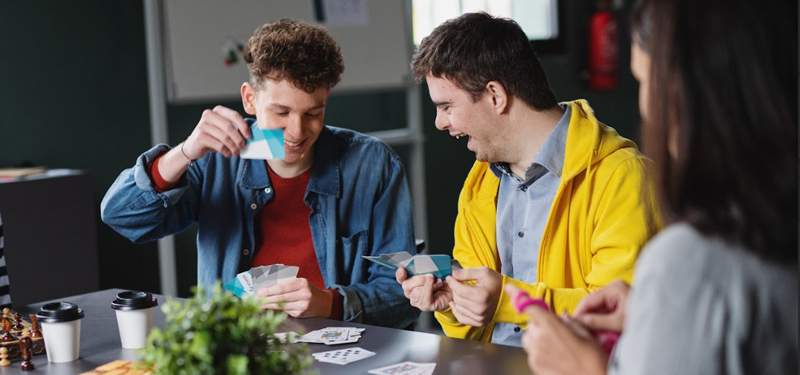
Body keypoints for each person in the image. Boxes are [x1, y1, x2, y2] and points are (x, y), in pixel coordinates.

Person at [518, 0, 798, 373]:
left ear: (683, 93)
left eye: (644, 80)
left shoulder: (687, 260)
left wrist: (585, 368)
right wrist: (658, 312)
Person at [101, 19, 419, 329]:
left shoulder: (374, 165)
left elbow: (404, 295)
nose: (296, 132)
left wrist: (332, 304)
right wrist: (184, 153)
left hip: (340, 351)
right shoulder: (216, 161)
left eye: (313, 113)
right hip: (236, 348)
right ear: (250, 99)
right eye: (281, 112)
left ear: (326, 100)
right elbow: (121, 216)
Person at [397, 12, 660, 346]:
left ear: (495, 95)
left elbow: (616, 320)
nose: (439, 122)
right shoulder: (480, 185)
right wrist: (452, 302)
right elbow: (471, 332)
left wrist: (507, 300)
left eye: (447, 106)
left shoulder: (622, 176)